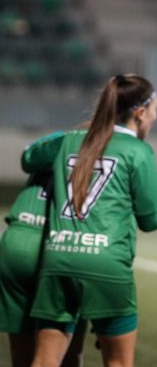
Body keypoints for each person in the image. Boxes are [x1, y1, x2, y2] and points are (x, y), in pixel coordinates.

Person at [20, 74, 157, 367]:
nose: (155, 118)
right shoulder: (139, 151)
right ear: (140, 113)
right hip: (107, 263)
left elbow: (29, 158)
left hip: (59, 259)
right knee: (117, 363)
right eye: (154, 111)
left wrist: (66, 136)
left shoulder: (72, 140)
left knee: (44, 362)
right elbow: (148, 220)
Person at [0, 141, 87, 367]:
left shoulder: (62, 140)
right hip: (65, 245)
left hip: (19, 239)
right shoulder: (118, 147)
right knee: (63, 354)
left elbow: (28, 157)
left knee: (23, 356)